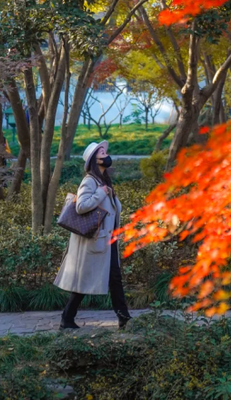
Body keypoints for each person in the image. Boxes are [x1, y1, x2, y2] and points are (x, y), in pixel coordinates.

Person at [54, 140, 131, 330]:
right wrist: (100, 193)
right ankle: (67, 318)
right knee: (86, 280)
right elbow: (81, 206)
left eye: (106, 151)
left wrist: (116, 232)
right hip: (94, 241)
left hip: (107, 239)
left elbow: (110, 212)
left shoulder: (103, 182)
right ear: (94, 160)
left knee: (113, 278)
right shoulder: (90, 181)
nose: (106, 154)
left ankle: (124, 318)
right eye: (102, 152)